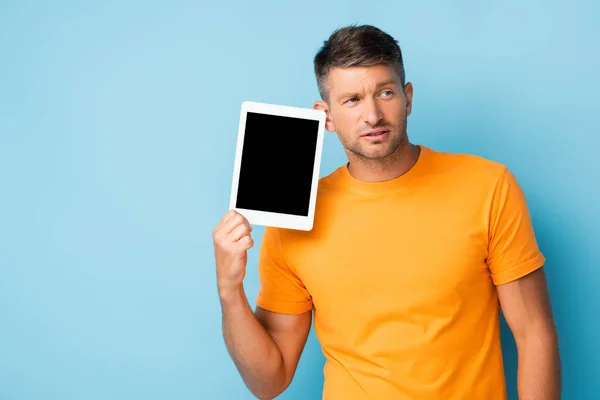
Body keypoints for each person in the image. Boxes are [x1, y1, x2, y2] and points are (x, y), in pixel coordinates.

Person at [212, 24, 561, 400]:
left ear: (407, 98)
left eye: (386, 92)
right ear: (325, 116)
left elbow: (533, 332)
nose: (373, 115)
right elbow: (270, 381)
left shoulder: (488, 186)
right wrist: (229, 291)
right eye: (352, 100)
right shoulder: (297, 220)